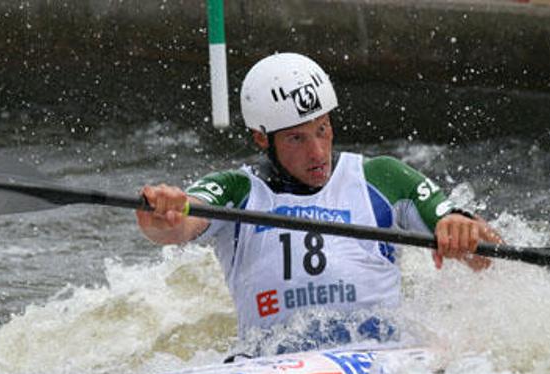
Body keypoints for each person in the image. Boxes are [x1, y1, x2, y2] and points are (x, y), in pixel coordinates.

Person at [136, 53, 503, 354]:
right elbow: (174, 227)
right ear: (262, 139)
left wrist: (462, 229)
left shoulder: (383, 178)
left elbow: (487, 255)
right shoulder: (237, 190)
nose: (317, 152)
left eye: (322, 130)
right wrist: (164, 212)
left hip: (378, 358)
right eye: (296, 139)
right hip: (268, 369)